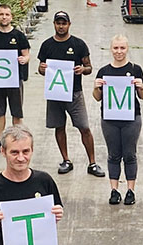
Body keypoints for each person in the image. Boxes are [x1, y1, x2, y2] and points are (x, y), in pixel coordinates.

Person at [36, 12, 105, 177]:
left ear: (69, 24)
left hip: (74, 93)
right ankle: (66, 159)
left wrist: (83, 69)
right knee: (59, 127)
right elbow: (40, 68)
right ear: (54, 24)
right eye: (58, 23)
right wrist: (42, 69)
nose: (61, 26)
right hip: (55, 93)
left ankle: (92, 163)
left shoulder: (79, 44)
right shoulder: (46, 45)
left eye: (64, 23)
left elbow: (89, 68)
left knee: (84, 127)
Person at [92, 34, 143, 206]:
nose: (119, 51)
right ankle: (114, 190)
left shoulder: (136, 69)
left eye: (122, 48)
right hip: (109, 118)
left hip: (131, 118)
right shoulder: (104, 71)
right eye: (116, 48)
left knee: (130, 154)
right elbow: (97, 98)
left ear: (127, 48)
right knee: (113, 154)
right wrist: (96, 87)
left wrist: (141, 86)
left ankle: (131, 190)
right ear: (111, 49)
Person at [0, 3, 31, 154]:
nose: (4, 17)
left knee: (16, 112)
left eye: (7, 14)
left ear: (11, 17)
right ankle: (1, 141)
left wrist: (24, 59)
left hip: (15, 79)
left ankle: (16, 140)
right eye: (1, 14)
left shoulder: (18, 36)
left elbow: (26, 54)